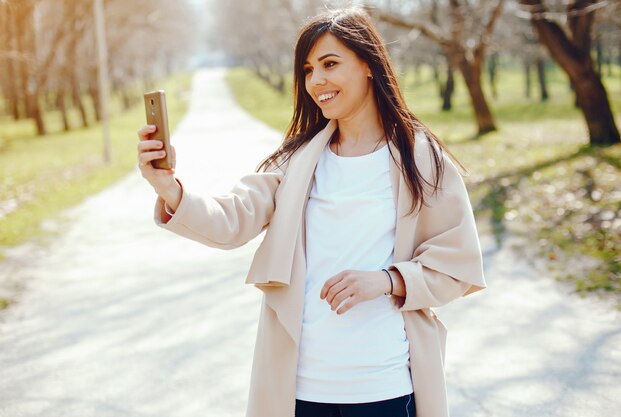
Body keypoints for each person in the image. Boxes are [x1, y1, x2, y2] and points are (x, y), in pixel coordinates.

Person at [137, 7, 485, 417]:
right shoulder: (297, 161)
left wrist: (388, 280)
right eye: (307, 69)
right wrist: (169, 188)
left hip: (385, 385)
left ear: (369, 65)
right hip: (300, 390)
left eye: (330, 64)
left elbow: (457, 267)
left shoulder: (421, 159)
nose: (316, 80)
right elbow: (230, 221)